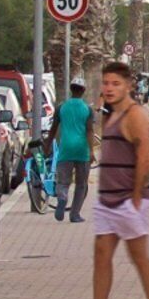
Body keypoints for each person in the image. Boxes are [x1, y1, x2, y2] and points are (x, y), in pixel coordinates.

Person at [74, 61, 149, 299]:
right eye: (106, 83)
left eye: (115, 83)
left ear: (128, 86)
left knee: (139, 257)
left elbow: (145, 156)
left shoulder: (135, 115)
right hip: (108, 199)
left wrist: (136, 195)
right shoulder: (109, 115)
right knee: (102, 255)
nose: (109, 88)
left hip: (128, 199)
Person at [51, 79, 94, 223]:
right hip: (82, 150)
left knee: (63, 181)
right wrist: (92, 151)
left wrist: (47, 145)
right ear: (83, 91)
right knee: (81, 184)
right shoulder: (87, 109)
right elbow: (89, 131)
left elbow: (53, 129)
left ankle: (62, 198)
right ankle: (75, 214)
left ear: (71, 89)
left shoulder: (61, 107)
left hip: (66, 149)